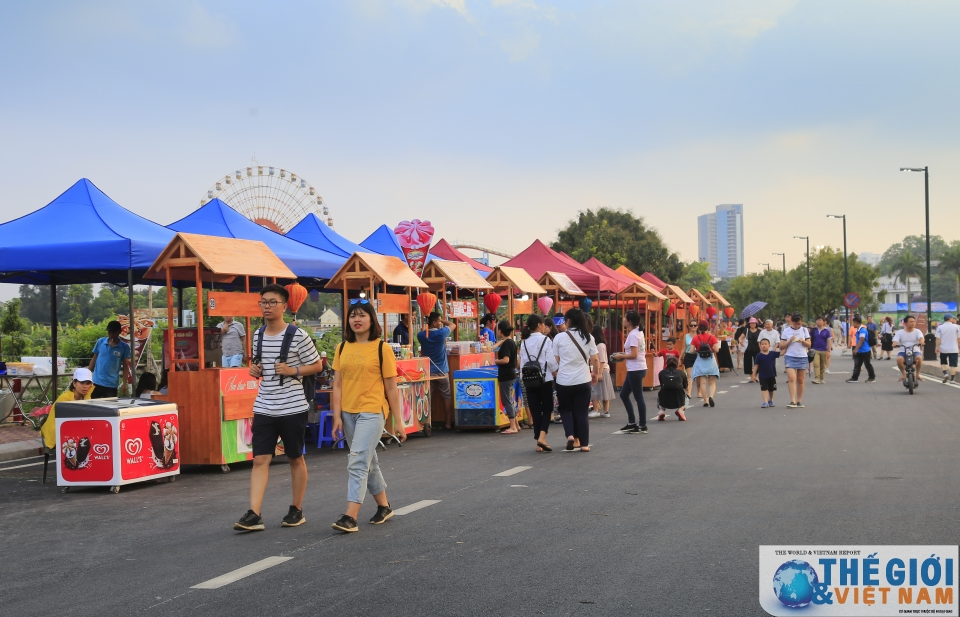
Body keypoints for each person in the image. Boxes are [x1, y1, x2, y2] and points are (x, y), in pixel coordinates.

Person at [234, 284, 322, 532]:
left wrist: (294, 370)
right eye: (263, 302)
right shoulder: (258, 334)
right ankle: (254, 513)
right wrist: (254, 370)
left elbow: (317, 365)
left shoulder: (298, 335)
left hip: (293, 406)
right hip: (264, 405)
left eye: (272, 302)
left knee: (295, 457)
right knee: (260, 459)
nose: (267, 306)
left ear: (284, 306)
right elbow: (259, 365)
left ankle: (296, 509)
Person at [329, 299, 402, 533]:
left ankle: (350, 516)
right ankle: (384, 506)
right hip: (348, 412)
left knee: (357, 461)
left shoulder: (382, 349)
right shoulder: (342, 348)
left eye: (362, 315)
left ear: (372, 320)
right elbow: (337, 385)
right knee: (368, 461)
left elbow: (391, 388)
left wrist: (398, 421)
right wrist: (337, 416)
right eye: (353, 316)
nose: (356, 320)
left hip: (372, 411)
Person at [553, 309, 599, 451]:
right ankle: (584, 444)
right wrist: (595, 374)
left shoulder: (559, 337)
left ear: (568, 321)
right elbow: (595, 359)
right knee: (582, 412)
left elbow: (556, 359)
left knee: (565, 410)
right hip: (583, 379)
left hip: (564, 381)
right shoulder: (588, 337)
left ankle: (570, 436)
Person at [520, 314, 557, 452]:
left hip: (529, 380)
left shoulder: (524, 342)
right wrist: (556, 371)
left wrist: (523, 378)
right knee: (547, 409)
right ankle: (542, 437)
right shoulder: (546, 340)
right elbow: (551, 360)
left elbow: (522, 362)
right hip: (544, 379)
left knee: (535, 410)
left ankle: (538, 442)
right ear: (539, 325)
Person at [417, 312, 457, 429]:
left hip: (428, 371)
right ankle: (448, 423)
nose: (441, 323)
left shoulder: (421, 335)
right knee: (446, 396)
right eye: (439, 321)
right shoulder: (441, 333)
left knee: (427, 397)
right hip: (442, 370)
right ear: (434, 323)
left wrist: (432, 321)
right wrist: (443, 320)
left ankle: (426, 423)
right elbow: (453, 324)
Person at [610, 311, 648, 434]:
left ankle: (642, 425)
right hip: (636, 368)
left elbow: (634, 354)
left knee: (638, 397)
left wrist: (621, 356)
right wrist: (622, 355)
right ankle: (632, 422)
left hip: (636, 369)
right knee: (624, 394)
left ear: (630, 321)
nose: (623, 319)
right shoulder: (636, 332)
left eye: (625, 318)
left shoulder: (634, 335)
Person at [40, 367, 94, 451]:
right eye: (82, 382)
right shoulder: (65, 398)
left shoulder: (84, 397)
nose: (85, 386)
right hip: (56, 431)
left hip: (70, 430)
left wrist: (88, 394)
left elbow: (88, 413)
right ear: (74, 383)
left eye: (88, 383)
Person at [88, 320, 132, 398]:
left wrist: (124, 384)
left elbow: (126, 366)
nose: (111, 335)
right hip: (96, 382)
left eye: (114, 332)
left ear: (119, 332)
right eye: (109, 332)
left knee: (110, 405)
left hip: (111, 384)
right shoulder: (100, 342)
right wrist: (87, 375)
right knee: (92, 404)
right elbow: (94, 358)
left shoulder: (124, 347)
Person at [492, 320, 520, 435]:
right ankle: (516, 424)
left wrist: (496, 361)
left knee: (506, 400)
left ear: (500, 331)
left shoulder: (507, 344)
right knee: (509, 400)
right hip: (511, 374)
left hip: (506, 375)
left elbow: (506, 360)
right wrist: (500, 342)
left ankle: (512, 426)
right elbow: (493, 348)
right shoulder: (511, 342)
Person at [780, 313, 811, 408]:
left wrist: (803, 341)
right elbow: (781, 345)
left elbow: (809, 344)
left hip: (802, 356)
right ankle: (793, 400)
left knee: (800, 380)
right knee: (791, 378)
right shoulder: (786, 331)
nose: (797, 325)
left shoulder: (804, 330)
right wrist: (790, 340)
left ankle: (799, 400)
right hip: (790, 356)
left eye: (799, 323)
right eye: (795, 323)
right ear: (792, 322)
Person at [690, 320, 720, 407]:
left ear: (699, 328)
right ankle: (711, 396)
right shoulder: (712, 337)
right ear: (708, 327)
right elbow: (717, 350)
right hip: (710, 360)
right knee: (712, 382)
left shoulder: (695, 338)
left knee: (702, 382)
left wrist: (697, 350)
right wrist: (711, 350)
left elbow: (691, 351)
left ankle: (705, 401)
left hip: (700, 360)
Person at [589, 324, 615, 418]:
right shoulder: (601, 345)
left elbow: (602, 361)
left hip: (601, 370)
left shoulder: (600, 346)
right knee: (605, 391)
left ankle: (596, 410)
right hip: (603, 370)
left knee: (596, 390)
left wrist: (598, 373)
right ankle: (605, 411)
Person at [843, 315, 876, 384]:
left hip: (865, 351)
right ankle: (854, 378)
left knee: (867, 364)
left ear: (856, 322)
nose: (853, 324)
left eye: (853, 323)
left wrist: (855, 349)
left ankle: (872, 377)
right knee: (857, 364)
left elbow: (861, 340)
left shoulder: (862, 330)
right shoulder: (858, 330)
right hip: (860, 351)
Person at [893, 315, 925, 382]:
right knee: (899, 359)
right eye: (911, 322)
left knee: (919, 358)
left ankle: (918, 374)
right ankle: (904, 374)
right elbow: (895, 340)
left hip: (915, 351)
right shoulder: (900, 332)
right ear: (906, 323)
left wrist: (922, 342)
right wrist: (894, 344)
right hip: (903, 351)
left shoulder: (917, 331)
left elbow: (921, 338)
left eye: (914, 321)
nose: (913, 323)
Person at [656, 356, 687, 421]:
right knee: (687, 396)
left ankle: (661, 410)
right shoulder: (681, 373)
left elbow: (662, 384)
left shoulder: (662, 373)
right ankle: (680, 409)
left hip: (664, 396)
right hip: (678, 396)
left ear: (666, 363)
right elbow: (685, 386)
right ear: (677, 364)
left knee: (660, 394)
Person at [752, 338, 780, 408]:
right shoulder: (759, 355)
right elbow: (756, 365)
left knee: (771, 389)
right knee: (764, 388)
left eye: (765, 344)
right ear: (760, 346)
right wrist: (754, 375)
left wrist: (785, 345)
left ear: (769, 345)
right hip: (762, 375)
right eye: (762, 344)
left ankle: (771, 400)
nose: (764, 345)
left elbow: (782, 353)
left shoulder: (772, 354)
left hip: (771, 374)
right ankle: (765, 402)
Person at [935, 314, 960, 383]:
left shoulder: (940, 327)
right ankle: (952, 379)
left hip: (943, 349)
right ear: (950, 319)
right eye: (952, 318)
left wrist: (937, 347)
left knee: (943, 363)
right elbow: (959, 338)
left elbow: (937, 339)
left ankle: (945, 374)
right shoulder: (957, 327)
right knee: (953, 365)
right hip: (954, 349)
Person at [810, 317, 833, 384]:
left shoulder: (827, 331)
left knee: (823, 365)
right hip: (815, 349)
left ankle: (821, 378)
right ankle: (817, 378)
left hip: (824, 350)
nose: (818, 321)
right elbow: (809, 339)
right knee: (816, 364)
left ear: (824, 322)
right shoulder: (813, 330)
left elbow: (829, 341)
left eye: (820, 320)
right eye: (817, 320)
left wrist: (829, 351)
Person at [740, 318, 761, 382]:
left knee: (757, 363)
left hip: (757, 349)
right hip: (748, 349)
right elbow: (740, 338)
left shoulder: (759, 331)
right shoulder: (746, 330)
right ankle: (752, 377)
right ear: (749, 324)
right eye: (751, 323)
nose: (752, 324)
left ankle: (756, 376)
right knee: (747, 363)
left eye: (754, 323)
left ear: (756, 324)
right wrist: (740, 341)